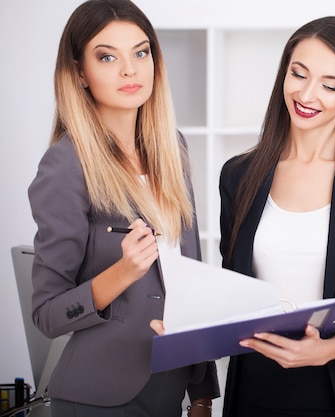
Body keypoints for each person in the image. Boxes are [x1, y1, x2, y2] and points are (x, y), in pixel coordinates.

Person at [28, 1, 219, 416]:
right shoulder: (67, 164)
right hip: (97, 397)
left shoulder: (173, 148)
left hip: (171, 389)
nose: (130, 70)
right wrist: (122, 272)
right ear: (80, 72)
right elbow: (47, 314)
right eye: (107, 57)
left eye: (141, 52)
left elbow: (192, 274)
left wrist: (202, 394)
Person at [218, 16, 335, 417]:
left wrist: (323, 351)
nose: (306, 94)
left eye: (330, 85)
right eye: (298, 74)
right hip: (256, 385)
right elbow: (231, 289)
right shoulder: (238, 175)